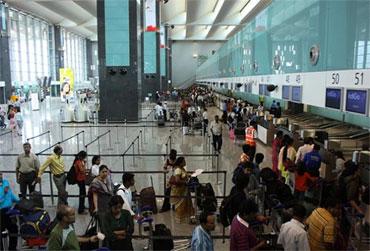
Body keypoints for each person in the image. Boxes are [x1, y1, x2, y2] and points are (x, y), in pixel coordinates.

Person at [170, 157, 194, 223]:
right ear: (181, 163)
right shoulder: (178, 169)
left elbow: (184, 175)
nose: (185, 162)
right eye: (184, 161)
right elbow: (177, 180)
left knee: (186, 204)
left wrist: (190, 174)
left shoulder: (182, 168)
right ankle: (181, 219)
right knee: (181, 205)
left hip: (184, 190)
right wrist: (185, 182)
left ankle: (188, 218)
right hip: (180, 191)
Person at [0, 172, 20, 251]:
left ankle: (12, 248)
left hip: (10, 211)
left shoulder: (5, 183)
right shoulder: (4, 188)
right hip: (1, 212)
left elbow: (11, 195)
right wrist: (4, 193)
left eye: (1, 174)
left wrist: (20, 201)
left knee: (14, 229)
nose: (0, 176)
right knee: (1, 231)